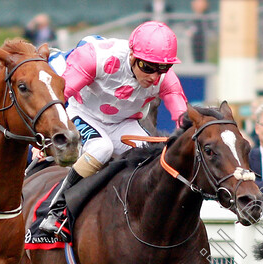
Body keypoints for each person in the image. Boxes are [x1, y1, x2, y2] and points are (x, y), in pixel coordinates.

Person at [39, 21, 188, 240]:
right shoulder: (95, 57)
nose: (155, 77)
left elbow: (182, 119)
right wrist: (45, 141)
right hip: (81, 112)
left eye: (163, 69)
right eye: (148, 67)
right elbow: (59, 99)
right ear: (132, 56)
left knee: (152, 155)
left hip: (123, 122)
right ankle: (55, 212)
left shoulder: (165, 78)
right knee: (101, 148)